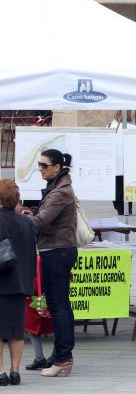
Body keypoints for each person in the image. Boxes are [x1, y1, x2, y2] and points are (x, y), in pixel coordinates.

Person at [20, 150, 77, 377]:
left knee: (58, 305)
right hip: (58, 249)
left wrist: (21, 219)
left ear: (57, 167)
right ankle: (61, 355)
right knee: (60, 304)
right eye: (39, 164)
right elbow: (43, 215)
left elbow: (41, 222)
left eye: (44, 165)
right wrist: (30, 211)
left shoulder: (60, 192)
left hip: (57, 251)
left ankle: (62, 358)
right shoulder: (57, 188)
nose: (41, 169)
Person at [0, 179, 37, 386]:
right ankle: (15, 372)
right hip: (21, 282)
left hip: (2, 282)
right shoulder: (27, 222)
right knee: (17, 330)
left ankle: (1, 373)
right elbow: (32, 252)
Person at [107, 110, 136, 215]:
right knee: (129, 185)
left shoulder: (109, 126)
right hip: (129, 161)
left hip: (114, 161)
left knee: (117, 185)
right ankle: (128, 207)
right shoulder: (133, 128)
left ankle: (118, 206)